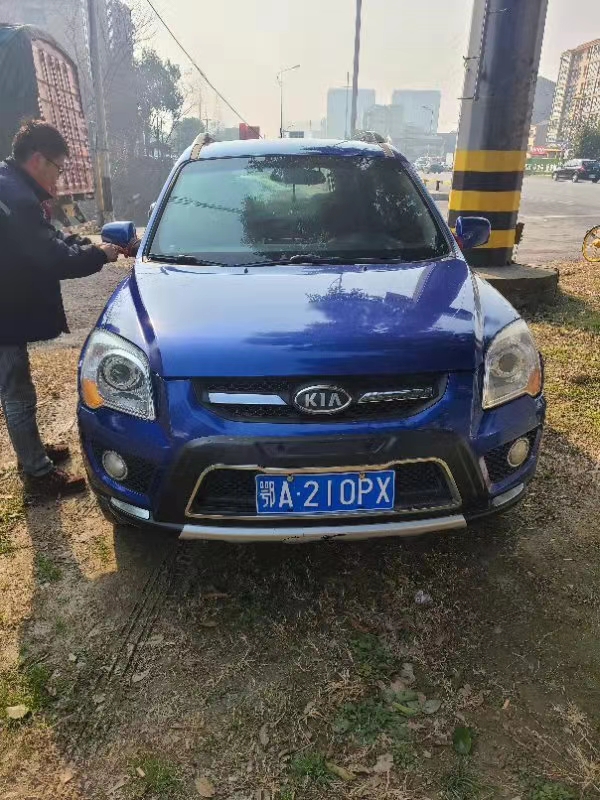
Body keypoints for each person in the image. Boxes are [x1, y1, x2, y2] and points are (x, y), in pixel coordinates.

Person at [0, 120, 121, 500]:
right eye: (59, 167)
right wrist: (99, 256)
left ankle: (32, 453)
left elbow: (48, 239)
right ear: (39, 159)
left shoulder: (12, 185)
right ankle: (37, 476)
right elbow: (52, 258)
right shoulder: (17, 197)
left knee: (17, 385)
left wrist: (86, 246)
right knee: (17, 390)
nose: (59, 177)